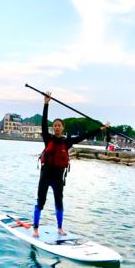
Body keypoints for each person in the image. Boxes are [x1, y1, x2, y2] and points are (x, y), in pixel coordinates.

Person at [33, 92, 109, 238]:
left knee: (59, 203)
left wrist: (101, 129)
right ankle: (35, 228)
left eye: (59, 126)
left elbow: (83, 136)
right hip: (46, 175)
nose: (56, 128)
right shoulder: (48, 139)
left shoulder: (66, 142)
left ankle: (60, 228)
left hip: (58, 178)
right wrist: (46, 104)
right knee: (40, 201)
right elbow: (43, 123)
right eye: (54, 126)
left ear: (63, 128)